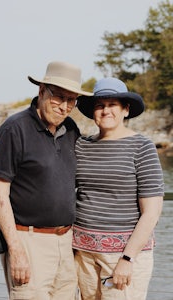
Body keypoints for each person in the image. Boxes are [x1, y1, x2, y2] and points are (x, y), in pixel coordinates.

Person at [0, 61, 92, 300]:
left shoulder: (71, 128)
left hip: (66, 243)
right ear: (42, 90)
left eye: (72, 100)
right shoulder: (14, 129)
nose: (65, 106)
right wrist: (16, 250)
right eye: (59, 97)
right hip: (28, 241)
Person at [72, 77, 164, 300]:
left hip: (123, 256)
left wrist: (127, 259)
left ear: (125, 110)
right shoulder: (82, 146)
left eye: (112, 104)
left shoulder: (142, 147)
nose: (105, 111)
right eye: (99, 105)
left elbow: (151, 213)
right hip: (82, 254)